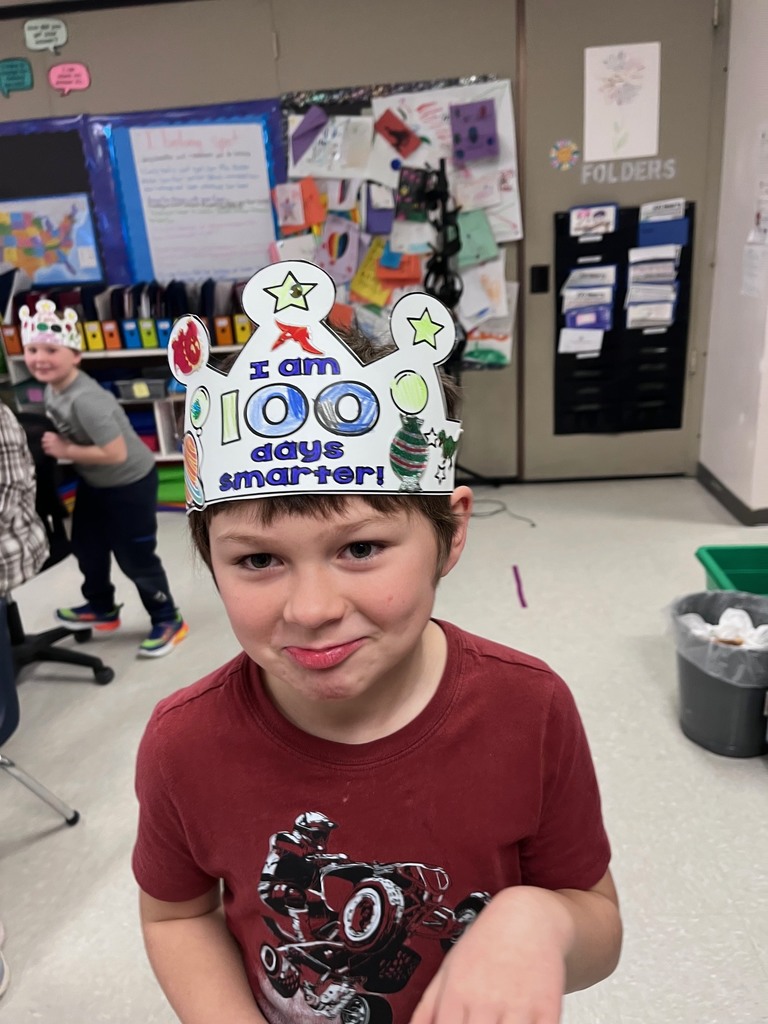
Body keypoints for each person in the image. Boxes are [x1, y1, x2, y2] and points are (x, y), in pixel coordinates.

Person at [133, 262, 622, 1024]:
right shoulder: (184, 742)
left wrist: (542, 919)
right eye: (257, 560)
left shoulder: (530, 707)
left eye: (360, 549)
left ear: (451, 532)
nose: (313, 608)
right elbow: (176, 915)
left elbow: (596, 924)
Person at [20, 300, 187, 658]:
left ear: (75, 355)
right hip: (95, 482)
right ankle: (102, 607)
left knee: (135, 557)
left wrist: (65, 448)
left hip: (129, 483)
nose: (40, 358)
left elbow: (116, 454)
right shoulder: (53, 389)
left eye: (52, 350)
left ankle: (167, 618)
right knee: (87, 546)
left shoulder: (87, 400)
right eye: (32, 350)